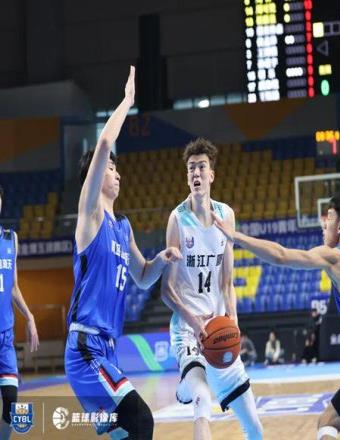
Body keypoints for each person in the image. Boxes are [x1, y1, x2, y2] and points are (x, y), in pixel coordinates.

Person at [213, 192, 340, 440]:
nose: (324, 223)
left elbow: (281, 255)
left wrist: (236, 236)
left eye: (329, 217)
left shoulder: (335, 256)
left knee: (328, 421)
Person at [64, 66, 181, 439]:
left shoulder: (123, 226)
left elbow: (142, 276)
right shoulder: (90, 215)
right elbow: (103, 145)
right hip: (86, 347)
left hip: (108, 349)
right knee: (142, 420)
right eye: (112, 169)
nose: (118, 174)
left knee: (125, 433)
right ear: (96, 176)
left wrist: (162, 259)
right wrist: (127, 101)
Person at [160, 138, 263, 440]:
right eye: (191, 168)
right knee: (203, 399)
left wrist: (233, 321)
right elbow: (166, 291)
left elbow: (227, 282)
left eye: (202, 167)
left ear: (211, 175)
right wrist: (195, 323)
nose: (196, 173)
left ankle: (186, 385)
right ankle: (188, 384)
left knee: (255, 428)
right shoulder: (177, 219)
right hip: (189, 331)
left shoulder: (226, 216)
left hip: (218, 328)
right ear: (187, 176)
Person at [0, 185, 39, 440]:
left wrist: (30, 317)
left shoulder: (10, 239)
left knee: (11, 403)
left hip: (5, 338)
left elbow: (13, 286)